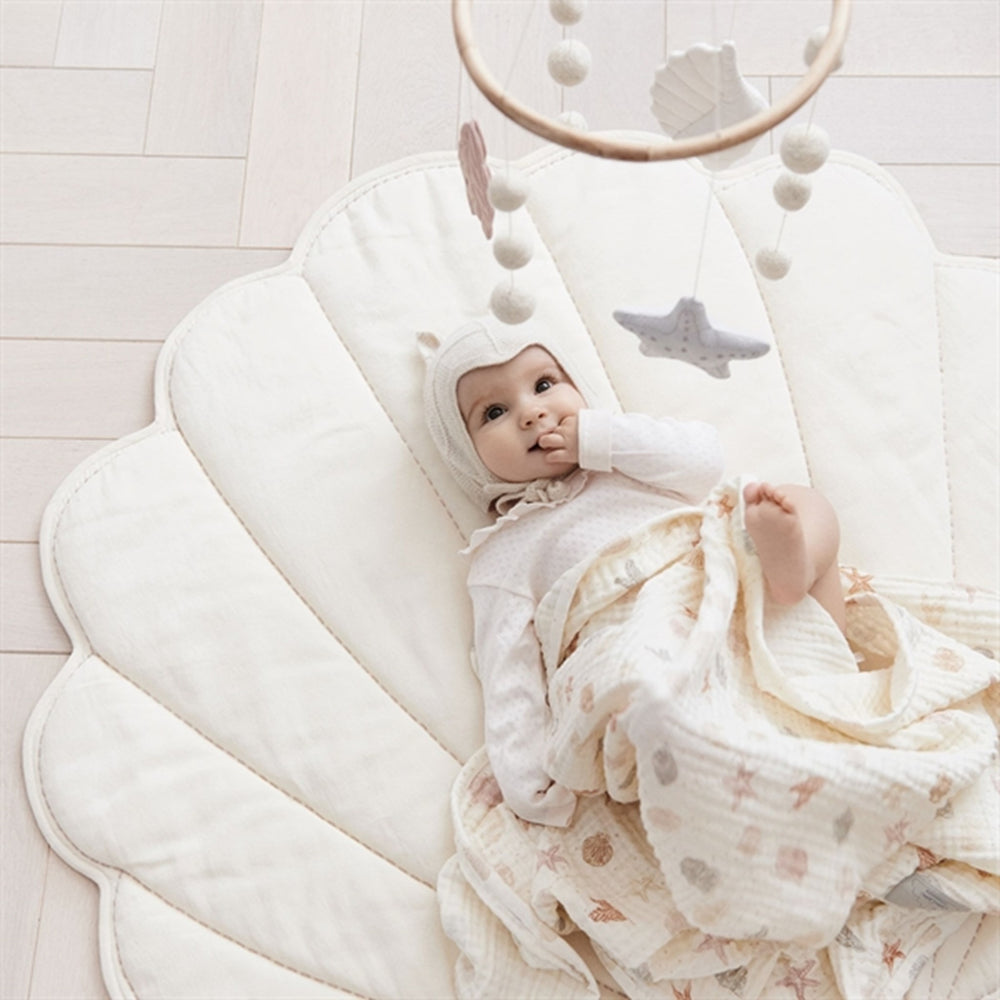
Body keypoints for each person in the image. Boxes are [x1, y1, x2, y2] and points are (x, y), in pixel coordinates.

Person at [422, 320, 845, 826]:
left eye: (544, 384)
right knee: (631, 680)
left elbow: (704, 461)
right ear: (466, 453)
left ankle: (797, 579)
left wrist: (600, 438)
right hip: (639, 635)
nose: (532, 413)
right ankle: (718, 757)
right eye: (495, 412)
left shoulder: (625, 458)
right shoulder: (504, 550)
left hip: (725, 583)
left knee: (805, 502)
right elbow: (507, 672)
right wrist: (529, 785)